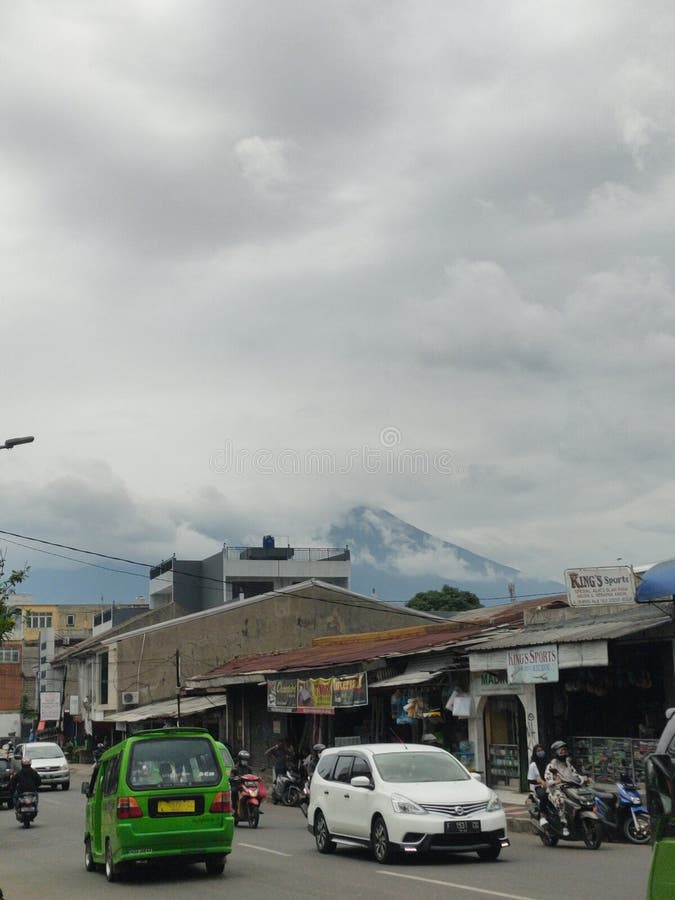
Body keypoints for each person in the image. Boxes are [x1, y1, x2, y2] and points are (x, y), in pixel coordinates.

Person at [544, 740, 587, 837]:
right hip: (555, 790)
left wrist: (583, 778)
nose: (564, 752)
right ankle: (564, 825)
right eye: (561, 750)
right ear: (556, 752)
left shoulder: (568, 764)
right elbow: (548, 780)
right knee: (561, 801)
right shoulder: (551, 766)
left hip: (569, 787)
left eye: (565, 750)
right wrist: (555, 782)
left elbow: (575, 774)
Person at [527, 744, 549, 826]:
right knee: (544, 796)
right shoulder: (533, 765)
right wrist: (540, 782)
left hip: (551, 784)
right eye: (538, 751)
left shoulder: (548, 762)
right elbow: (530, 779)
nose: (540, 752)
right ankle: (543, 816)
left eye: (541, 750)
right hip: (539, 787)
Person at [230, 749, 253, 815]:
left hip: (247, 786)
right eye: (243, 760)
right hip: (238, 785)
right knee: (234, 791)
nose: (245, 761)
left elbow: (252, 776)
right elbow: (231, 777)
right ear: (239, 760)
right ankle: (234, 808)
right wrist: (234, 778)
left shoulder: (249, 769)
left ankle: (254, 807)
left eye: (246, 760)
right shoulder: (235, 768)